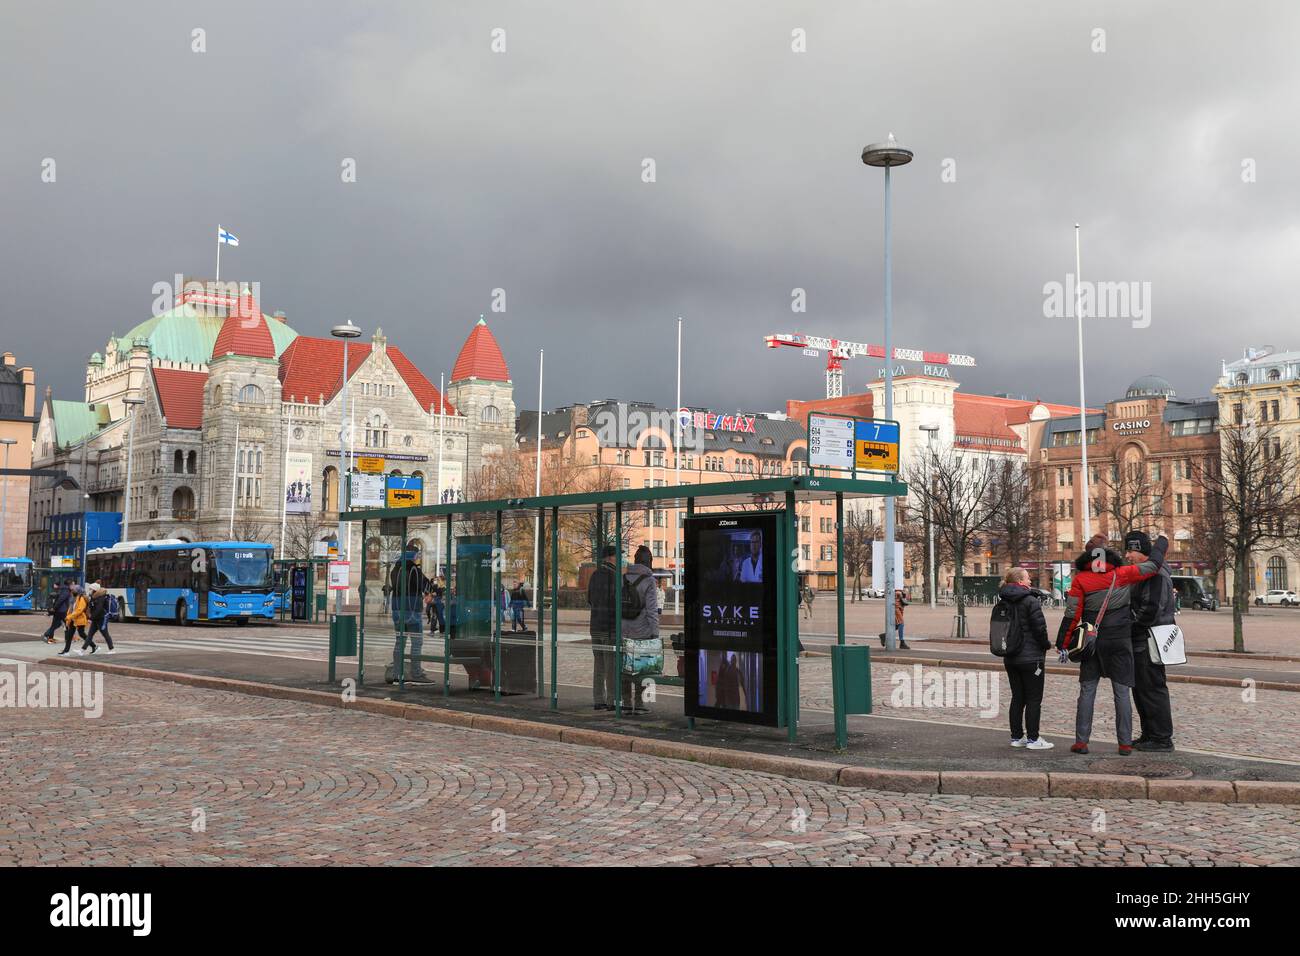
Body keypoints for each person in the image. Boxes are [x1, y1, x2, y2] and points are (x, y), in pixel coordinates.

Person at [1055, 532, 1169, 755]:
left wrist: (1063, 643)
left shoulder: (1080, 580)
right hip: (1119, 641)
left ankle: (1081, 742)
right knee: (1122, 692)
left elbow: (1071, 614)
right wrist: (1162, 541)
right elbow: (1154, 565)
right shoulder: (1122, 574)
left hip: (1091, 643)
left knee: (1087, 691)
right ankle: (1124, 744)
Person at [1126, 530, 1176, 752]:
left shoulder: (1155, 575)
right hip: (1143, 640)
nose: (1127, 555)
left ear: (1142, 552)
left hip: (1149, 640)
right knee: (1142, 689)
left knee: (1152, 689)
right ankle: (1149, 734)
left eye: (1131, 551)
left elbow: (1150, 611)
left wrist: (1129, 627)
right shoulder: (1146, 572)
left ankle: (1162, 738)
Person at [998, 568, 1053, 750]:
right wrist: (1046, 645)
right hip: (1031, 657)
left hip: (1010, 656)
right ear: (1020, 582)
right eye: (1028, 578)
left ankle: (1016, 737)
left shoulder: (1002, 601)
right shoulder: (1030, 601)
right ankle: (1033, 739)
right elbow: (1040, 629)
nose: (1030, 581)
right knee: (1034, 699)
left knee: (1017, 697)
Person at [620, 546, 661, 715]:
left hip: (624, 629)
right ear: (649, 561)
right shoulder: (649, 580)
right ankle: (640, 703)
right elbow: (652, 610)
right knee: (643, 667)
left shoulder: (623, 577)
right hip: (643, 631)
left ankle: (627, 703)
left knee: (625, 667)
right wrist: (655, 632)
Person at [385, 552, 430, 682]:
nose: (418, 559)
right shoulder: (414, 570)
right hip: (412, 609)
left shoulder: (395, 570)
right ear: (412, 558)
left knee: (400, 642)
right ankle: (416, 674)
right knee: (416, 642)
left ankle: (397, 674)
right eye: (417, 557)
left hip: (397, 609)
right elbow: (426, 585)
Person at [588, 545, 620, 710]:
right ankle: (612, 700)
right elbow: (618, 603)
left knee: (598, 665)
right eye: (617, 555)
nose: (619, 559)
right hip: (610, 627)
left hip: (595, 626)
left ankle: (598, 699)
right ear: (609, 557)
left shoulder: (594, 575)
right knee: (611, 665)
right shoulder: (615, 577)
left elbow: (590, 599)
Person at [58, 584, 92, 656]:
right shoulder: (74, 598)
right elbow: (71, 609)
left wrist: (69, 616)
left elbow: (79, 610)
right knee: (69, 635)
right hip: (73, 619)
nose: (72, 591)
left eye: (74, 590)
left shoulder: (81, 598)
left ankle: (94, 646)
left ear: (78, 591)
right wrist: (69, 617)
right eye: (72, 590)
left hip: (79, 619)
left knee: (82, 634)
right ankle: (66, 651)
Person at [86, 582, 116, 654]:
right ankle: (82, 650)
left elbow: (98, 609)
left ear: (94, 590)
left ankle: (112, 649)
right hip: (96, 619)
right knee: (90, 635)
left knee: (105, 634)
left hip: (101, 619)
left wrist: (91, 618)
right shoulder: (94, 597)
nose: (89, 590)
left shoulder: (100, 598)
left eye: (91, 589)